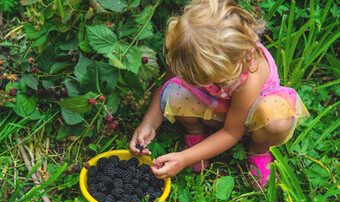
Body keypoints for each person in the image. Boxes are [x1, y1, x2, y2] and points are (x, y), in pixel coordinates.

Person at [128, 0, 309, 189]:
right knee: (175, 91)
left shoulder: (250, 76)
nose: (195, 82)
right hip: (219, 107)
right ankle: (197, 133)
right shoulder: (187, 53)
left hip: (250, 116)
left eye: (203, 79)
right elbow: (166, 86)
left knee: (275, 121)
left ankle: (259, 150)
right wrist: (148, 124)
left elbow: (231, 132)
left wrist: (184, 159)